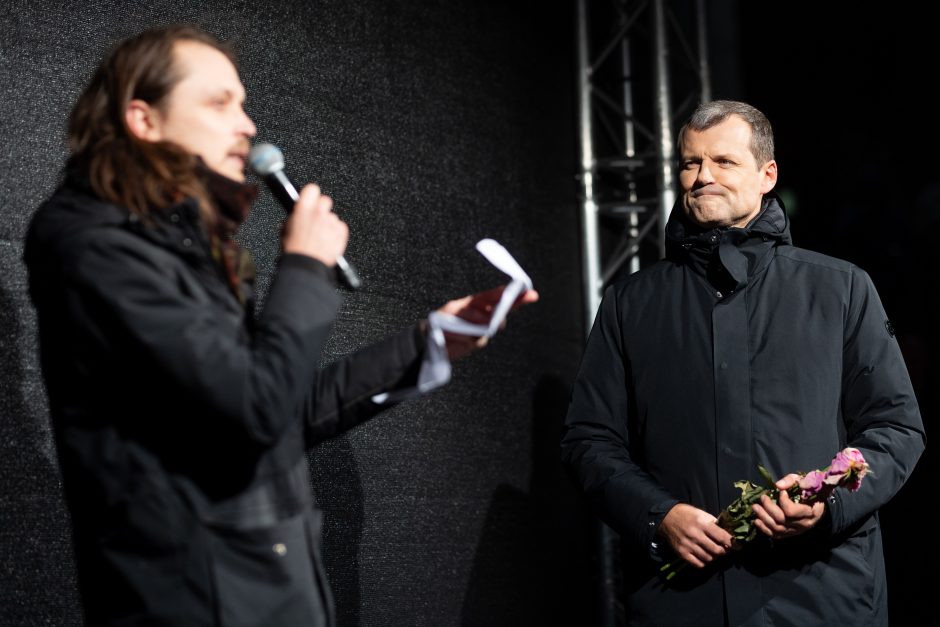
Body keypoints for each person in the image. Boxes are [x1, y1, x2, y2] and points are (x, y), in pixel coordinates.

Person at [23, 25, 537, 627]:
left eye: (243, 103)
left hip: (264, 591)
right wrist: (302, 268)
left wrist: (432, 341)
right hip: (193, 601)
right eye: (219, 103)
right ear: (144, 119)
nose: (245, 124)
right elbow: (255, 409)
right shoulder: (95, 245)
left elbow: (280, 410)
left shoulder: (188, 244)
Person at [560, 100, 925, 626]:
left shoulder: (840, 288)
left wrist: (828, 505)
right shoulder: (631, 303)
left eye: (723, 162)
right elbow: (588, 440)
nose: (703, 176)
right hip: (686, 603)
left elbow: (896, 429)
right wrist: (658, 516)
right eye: (690, 163)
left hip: (821, 598)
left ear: (767, 174)